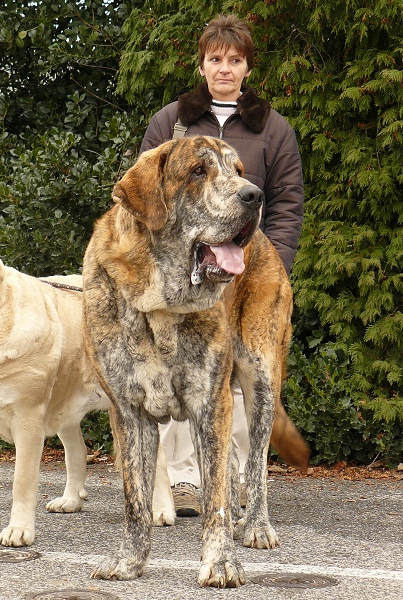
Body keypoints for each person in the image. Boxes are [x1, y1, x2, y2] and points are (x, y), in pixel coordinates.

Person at [139, 14, 304, 517]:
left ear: (248, 67)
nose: (224, 68)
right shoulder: (172, 122)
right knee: (177, 370)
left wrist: (262, 263)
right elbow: (148, 194)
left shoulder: (273, 129)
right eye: (216, 59)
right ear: (202, 64)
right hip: (180, 272)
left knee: (238, 375)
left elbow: (286, 203)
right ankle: (186, 480)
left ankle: (233, 476)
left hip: (244, 269)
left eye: (234, 60)